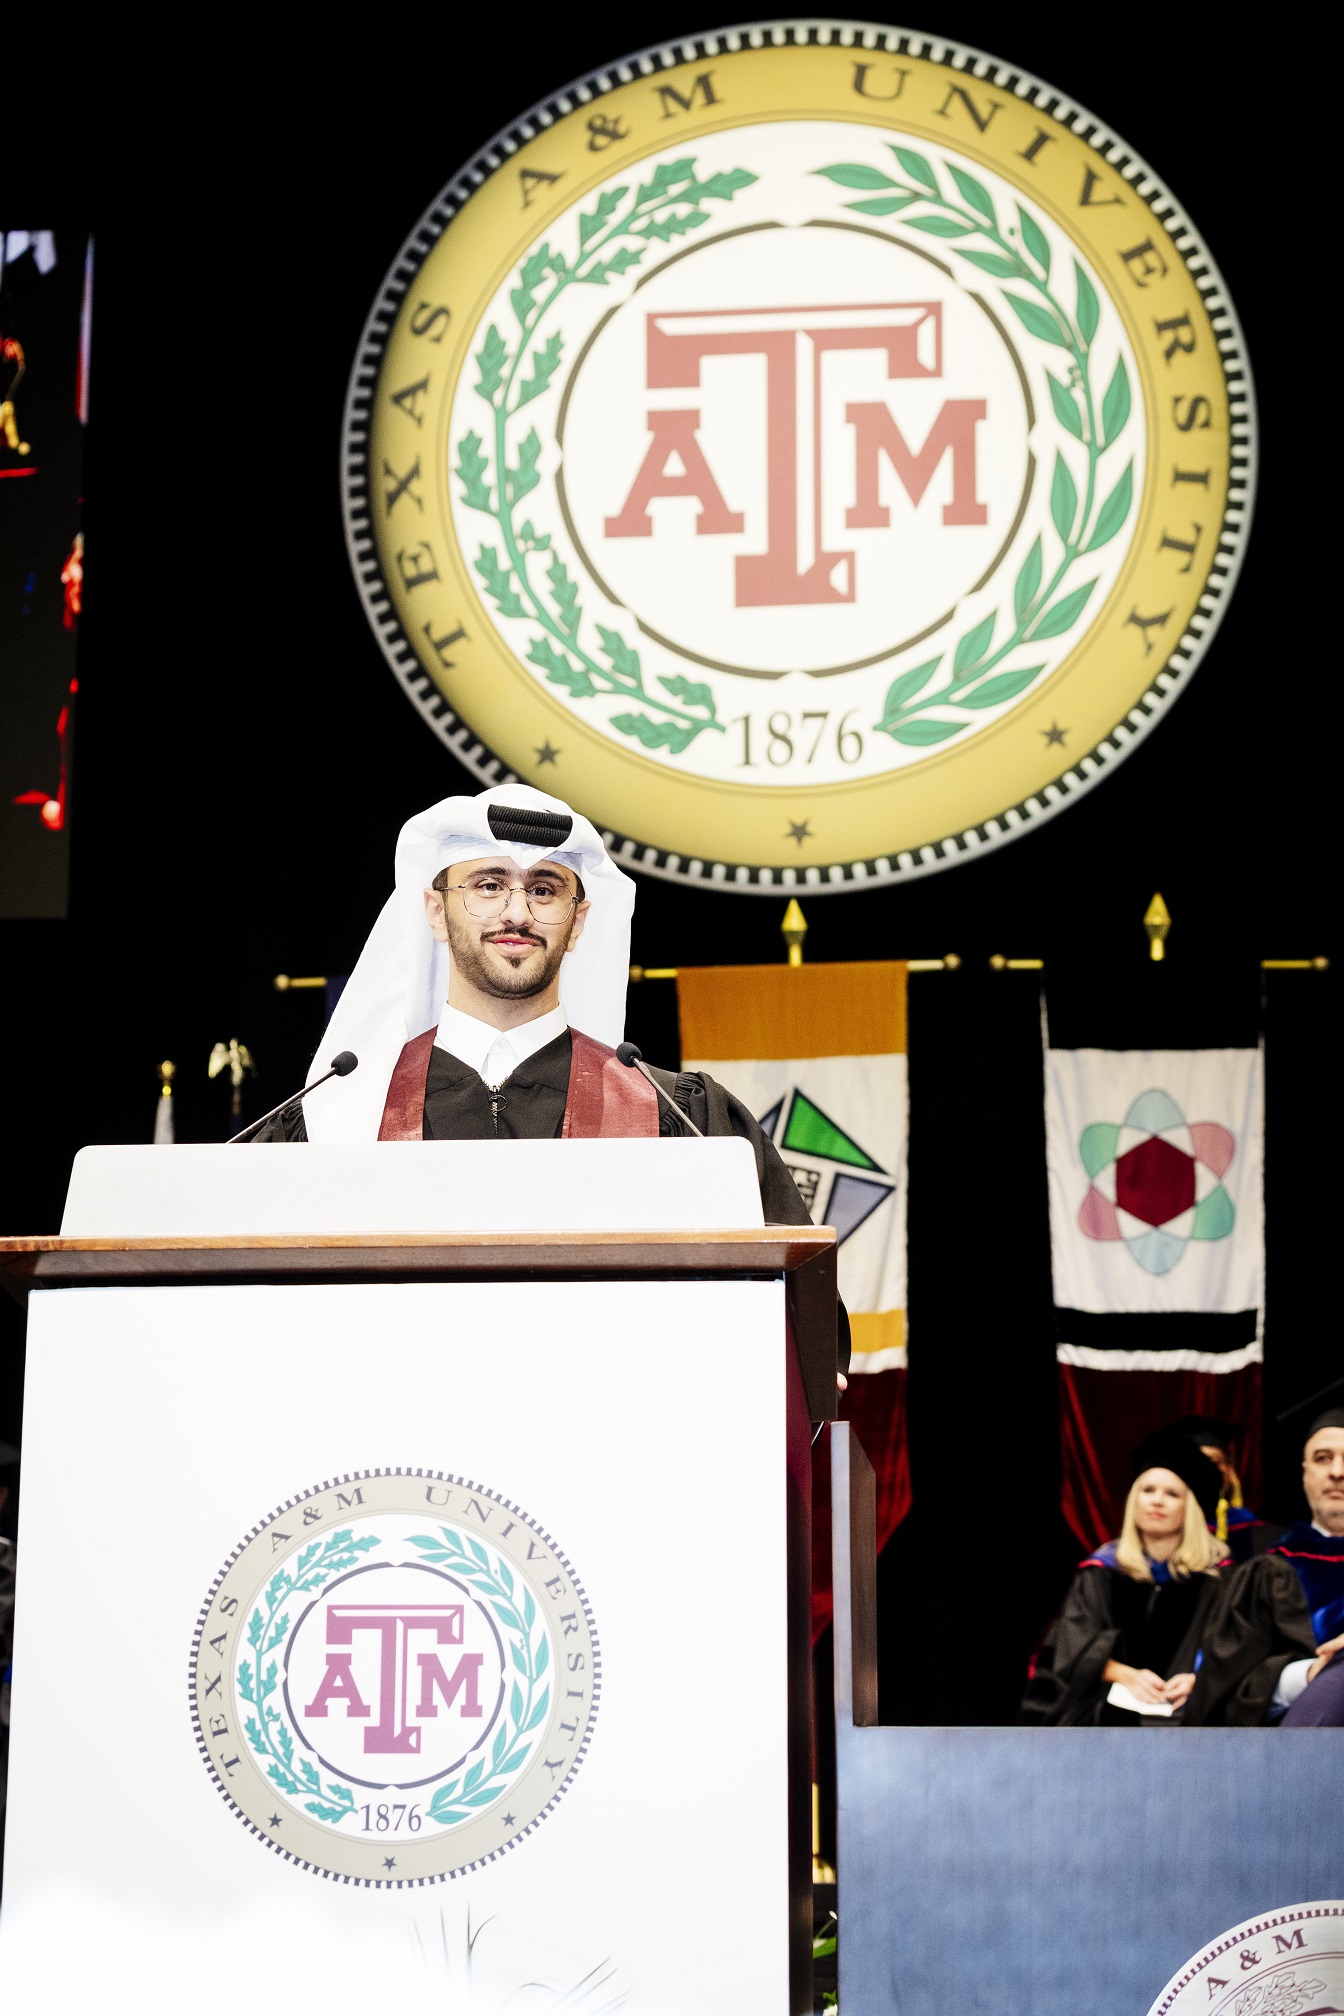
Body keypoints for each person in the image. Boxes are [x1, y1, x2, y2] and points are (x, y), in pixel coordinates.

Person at [257, 784, 847, 1373]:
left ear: (579, 921)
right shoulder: (341, 1118)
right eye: (488, 885)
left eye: (543, 889)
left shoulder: (676, 1114)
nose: (517, 913)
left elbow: (804, 1319)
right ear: (436, 911)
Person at [1022, 1434, 1313, 1726]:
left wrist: (1199, 1679)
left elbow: (1232, 1651)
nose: (1157, 1501)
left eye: (1172, 1494)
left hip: (1188, 1715)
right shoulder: (1101, 1573)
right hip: (1103, 1714)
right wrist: (1124, 1674)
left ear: (1190, 1508)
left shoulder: (1220, 1579)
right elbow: (1072, 1646)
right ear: (1134, 1500)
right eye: (1148, 1490)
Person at [1267, 1404, 1344, 1722]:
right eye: (1323, 1458)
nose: (1337, 1471)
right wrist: (1312, 1673)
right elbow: (1229, 1682)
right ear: (1304, 1473)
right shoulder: (1269, 1571)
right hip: (1295, 1737)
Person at [1166, 1412, 1284, 1562]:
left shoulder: (1260, 1535)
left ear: (1230, 1471)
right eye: (1197, 1463)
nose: (1207, 1470)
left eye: (1215, 1462)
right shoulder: (1165, 1530)